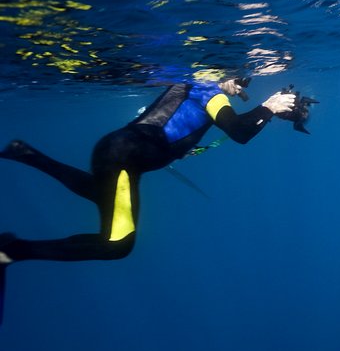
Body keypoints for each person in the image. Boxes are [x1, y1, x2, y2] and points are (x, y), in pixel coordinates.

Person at [0, 76, 297, 324]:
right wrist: (269, 106)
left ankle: (25, 154)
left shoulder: (193, 84)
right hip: (124, 161)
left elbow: (224, 122)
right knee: (117, 245)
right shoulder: (210, 91)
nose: (242, 85)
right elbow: (240, 132)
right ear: (224, 73)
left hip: (116, 153)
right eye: (241, 78)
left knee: (103, 193)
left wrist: (261, 109)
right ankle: (11, 251)